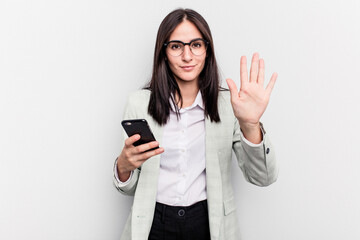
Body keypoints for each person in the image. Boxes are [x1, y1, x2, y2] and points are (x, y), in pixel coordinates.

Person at [113, 8, 278, 240]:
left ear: (207, 50)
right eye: (176, 46)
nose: (187, 56)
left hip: (208, 223)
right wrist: (123, 166)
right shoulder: (139, 104)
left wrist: (251, 125)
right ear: (164, 53)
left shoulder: (229, 105)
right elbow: (128, 188)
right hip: (154, 222)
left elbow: (263, 177)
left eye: (196, 45)